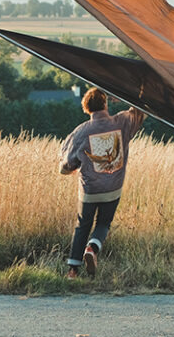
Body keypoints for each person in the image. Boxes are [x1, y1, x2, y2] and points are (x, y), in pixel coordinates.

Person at [59, 87, 145, 279]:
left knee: (82, 225)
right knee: (104, 223)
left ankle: (73, 271)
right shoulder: (122, 122)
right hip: (112, 189)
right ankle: (92, 248)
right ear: (105, 103)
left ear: (86, 108)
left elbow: (67, 163)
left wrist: (67, 169)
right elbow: (139, 111)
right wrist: (127, 93)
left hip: (89, 190)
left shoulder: (81, 132)